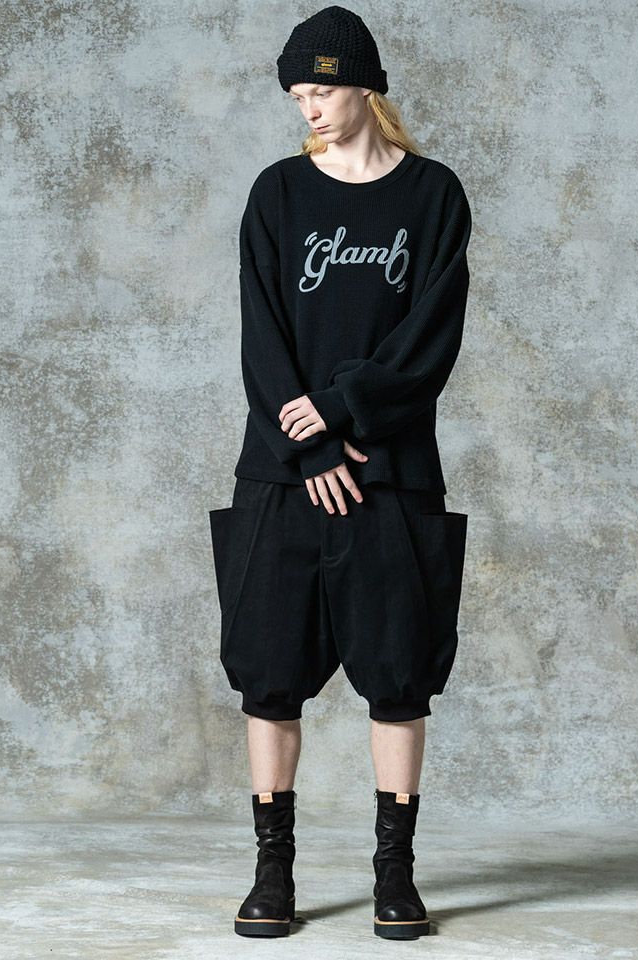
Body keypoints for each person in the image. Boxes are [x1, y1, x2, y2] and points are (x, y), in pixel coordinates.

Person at [207, 4, 472, 941]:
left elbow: (430, 338)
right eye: (297, 97)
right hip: (283, 475)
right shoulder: (277, 194)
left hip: (391, 475)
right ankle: (272, 871)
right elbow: (261, 337)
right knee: (269, 677)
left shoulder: (433, 196)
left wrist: (347, 410)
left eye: (319, 90)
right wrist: (311, 446)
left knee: (399, 677)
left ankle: (394, 874)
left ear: (363, 85)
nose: (309, 108)